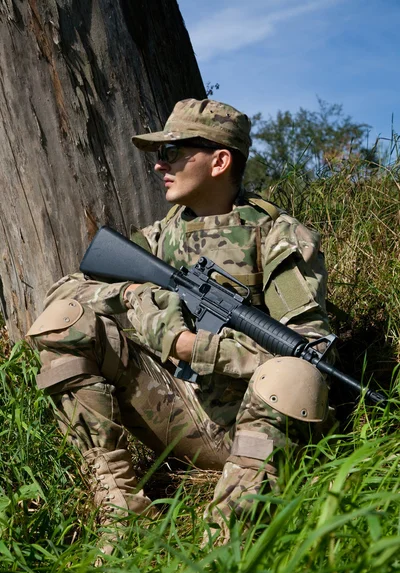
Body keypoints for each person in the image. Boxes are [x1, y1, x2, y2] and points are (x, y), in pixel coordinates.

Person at [27, 98, 332, 547]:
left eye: (173, 151)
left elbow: (313, 349)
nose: (158, 165)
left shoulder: (279, 236)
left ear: (219, 161)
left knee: (293, 374)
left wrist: (192, 347)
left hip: (258, 425)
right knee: (62, 321)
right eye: (159, 153)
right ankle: (123, 515)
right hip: (177, 410)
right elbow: (61, 290)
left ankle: (225, 543)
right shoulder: (156, 238)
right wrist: (134, 296)